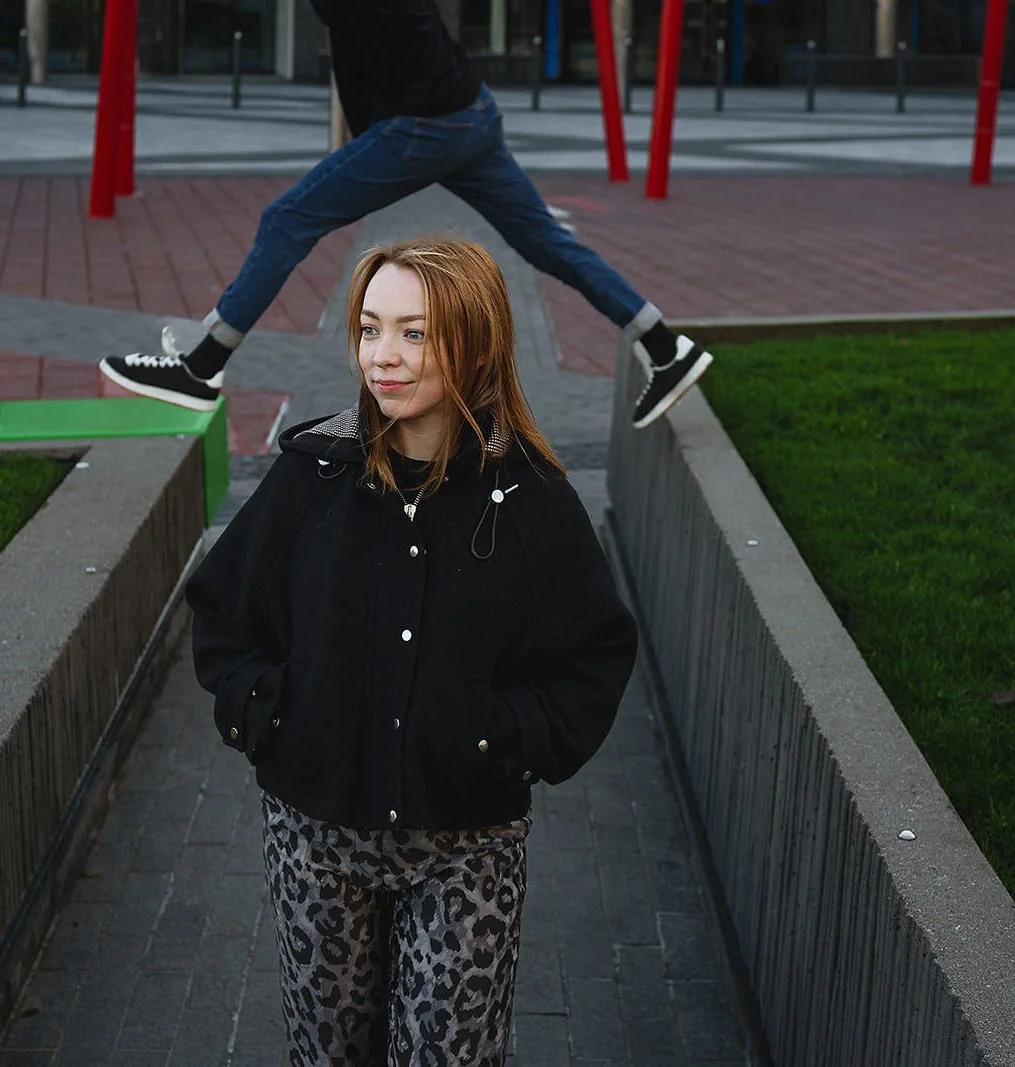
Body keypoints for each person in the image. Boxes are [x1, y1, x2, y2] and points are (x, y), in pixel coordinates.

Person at [184, 236, 639, 1065]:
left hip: (466, 845)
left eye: (415, 333)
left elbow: (594, 655)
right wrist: (274, 716)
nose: (383, 358)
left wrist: (502, 738)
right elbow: (222, 616)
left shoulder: (530, 498)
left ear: (476, 342)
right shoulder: (312, 477)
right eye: (369, 329)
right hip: (316, 835)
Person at [100, 0, 713, 431]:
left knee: (287, 220)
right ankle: (663, 344)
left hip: (424, 126)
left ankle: (200, 370)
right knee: (549, 245)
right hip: (471, 113)